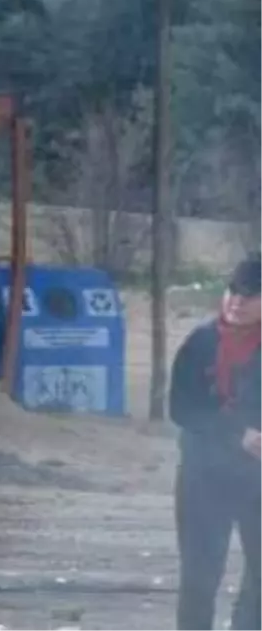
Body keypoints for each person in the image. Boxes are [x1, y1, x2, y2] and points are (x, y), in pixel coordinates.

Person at [171, 252, 262, 631]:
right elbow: (182, 407)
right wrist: (237, 434)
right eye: (233, 291)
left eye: (251, 294)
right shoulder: (202, 342)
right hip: (203, 477)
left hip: (258, 482)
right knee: (199, 579)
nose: (237, 302)